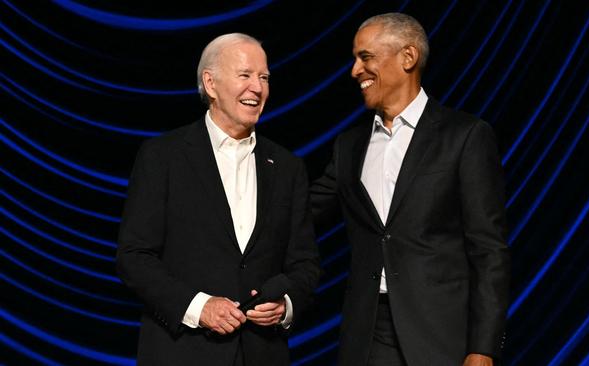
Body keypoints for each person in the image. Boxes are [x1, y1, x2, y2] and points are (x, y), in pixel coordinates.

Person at [311, 13, 510, 366]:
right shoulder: (349, 146)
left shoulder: (463, 136)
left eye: (366, 57)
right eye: (356, 59)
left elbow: (488, 250)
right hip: (368, 333)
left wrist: (483, 348)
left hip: (442, 336)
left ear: (408, 57)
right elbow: (302, 213)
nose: (355, 71)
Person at [117, 33, 320, 366]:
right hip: (182, 352)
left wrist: (286, 302)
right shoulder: (162, 157)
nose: (258, 87)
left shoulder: (287, 167)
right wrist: (199, 307)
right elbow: (134, 257)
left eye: (265, 77)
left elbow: (305, 264)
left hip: (262, 353)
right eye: (245, 75)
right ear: (210, 84)